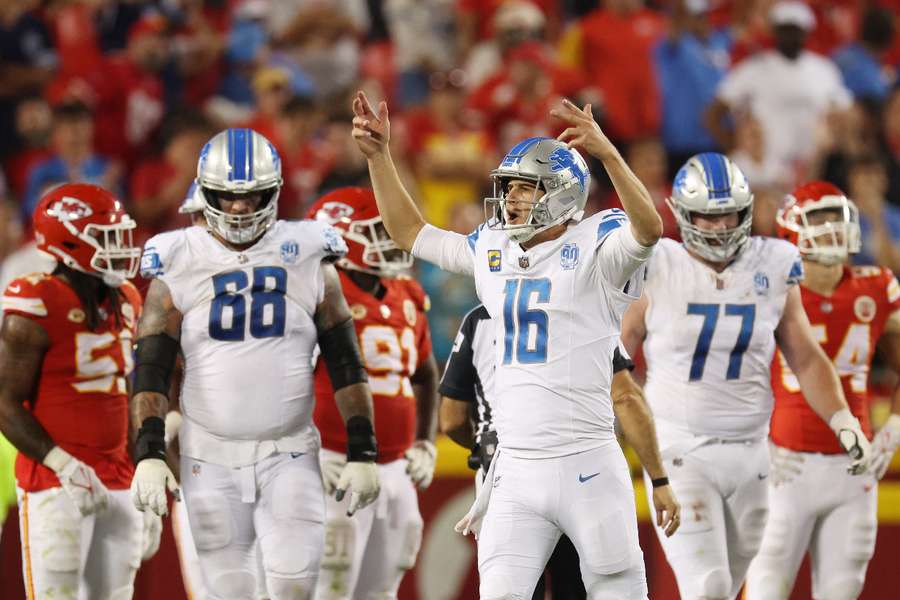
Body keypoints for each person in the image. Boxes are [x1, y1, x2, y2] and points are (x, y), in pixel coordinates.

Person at [352, 90, 664, 599]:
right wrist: (381, 158)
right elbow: (410, 232)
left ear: (562, 195)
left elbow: (647, 228)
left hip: (587, 460)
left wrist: (607, 154)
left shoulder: (597, 246)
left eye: (526, 189)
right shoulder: (492, 247)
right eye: (510, 188)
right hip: (515, 466)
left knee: (619, 591)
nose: (512, 199)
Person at [129, 128, 381, 600]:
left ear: (275, 192)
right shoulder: (179, 256)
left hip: (288, 450)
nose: (240, 209)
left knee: (293, 587)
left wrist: (363, 448)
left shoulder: (308, 253)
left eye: (252, 196)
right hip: (208, 454)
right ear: (205, 195)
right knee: (228, 593)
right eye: (226, 197)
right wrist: (148, 450)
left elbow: (346, 360)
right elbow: (151, 364)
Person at [620, 154, 872, 600]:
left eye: (728, 215)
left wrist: (842, 420)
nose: (719, 227)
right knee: (708, 587)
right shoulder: (658, 263)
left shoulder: (773, 263)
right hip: (679, 449)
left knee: (733, 586)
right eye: (707, 216)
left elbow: (806, 358)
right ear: (682, 212)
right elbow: (616, 355)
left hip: (754, 454)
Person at [438, 304, 680, 600]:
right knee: (590, 585)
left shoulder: (479, 320)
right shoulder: (585, 306)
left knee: (509, 590)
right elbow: (626, 396)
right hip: (583, 468)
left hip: (506, 469)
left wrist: (482, 449)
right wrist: (659, 480)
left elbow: (451, 419)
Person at [745, 181, 900, 600]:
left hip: (854, 468)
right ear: (793, 230)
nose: (832, 227)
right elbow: (733, 376)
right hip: (785, 466)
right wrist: (754, 443)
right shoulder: (770, 289)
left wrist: (896, 426)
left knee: (841, 592)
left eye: (836, 216)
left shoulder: (876, 285)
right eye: (819, 218)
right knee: (763, 590)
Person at [0, 183, 147, 599]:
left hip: (118, 476)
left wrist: (143, 467)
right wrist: (62, 463)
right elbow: (5, 402)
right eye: (106, 236)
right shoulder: (37, 302)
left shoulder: (127, 299)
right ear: (68, 241)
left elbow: (126, 392)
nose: (119, 246)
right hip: (55, 481)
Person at [308, 187, 439, 600]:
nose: (390, 238)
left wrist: (424, 440)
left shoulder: (406, 295)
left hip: (397, 465)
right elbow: (286, 378)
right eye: (377, 230)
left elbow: (425, 374)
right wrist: (303, 445)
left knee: (386, 584)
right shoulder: (321, 293)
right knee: (332, 580)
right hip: (334, 459)